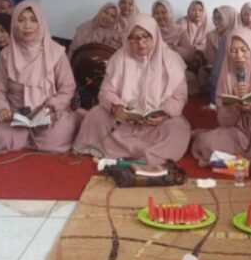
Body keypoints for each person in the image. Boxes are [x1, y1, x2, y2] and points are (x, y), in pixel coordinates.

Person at [72, 14, 191, 164]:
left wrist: (165, 113)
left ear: (155, 35)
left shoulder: (172, 60)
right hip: (123, 122)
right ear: (127, 38)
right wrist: (116, 106)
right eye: (134, 38)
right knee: (96, 115)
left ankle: (150, 154)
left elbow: (180, 96)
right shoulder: (119, 58)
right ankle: (133, 152)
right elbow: (106, 91)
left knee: (178, 128)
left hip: (157, 124)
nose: (140, 43)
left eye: (146, 37)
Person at [0, 1, 79, 153]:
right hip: (17, 118)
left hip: (49, 116)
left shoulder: (56, 53)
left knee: (55, 137)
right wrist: (2, 110)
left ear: (41, 22)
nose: (27, 26)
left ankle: (69, 122)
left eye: (33, 20)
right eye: (21, 20)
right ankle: (25, 137)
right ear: (14, 24)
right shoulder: (6, 55)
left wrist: (50, 107)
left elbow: (67, 88)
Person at [191, 27, 251, 166]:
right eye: (233, 50)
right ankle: (249, 161)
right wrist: (233, 104)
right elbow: (223, 122)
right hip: (238, 132)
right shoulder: (226, 75)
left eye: (244, 50)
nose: (238, 56)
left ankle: (239, 160)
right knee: (206, 143)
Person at [204, 5, 239, 104]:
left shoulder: (240, 35)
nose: (216, 22)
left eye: (220, 19)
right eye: (214, 18)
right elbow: (211, 61)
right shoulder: (211, 36)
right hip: (218, 71)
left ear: (230, 19)